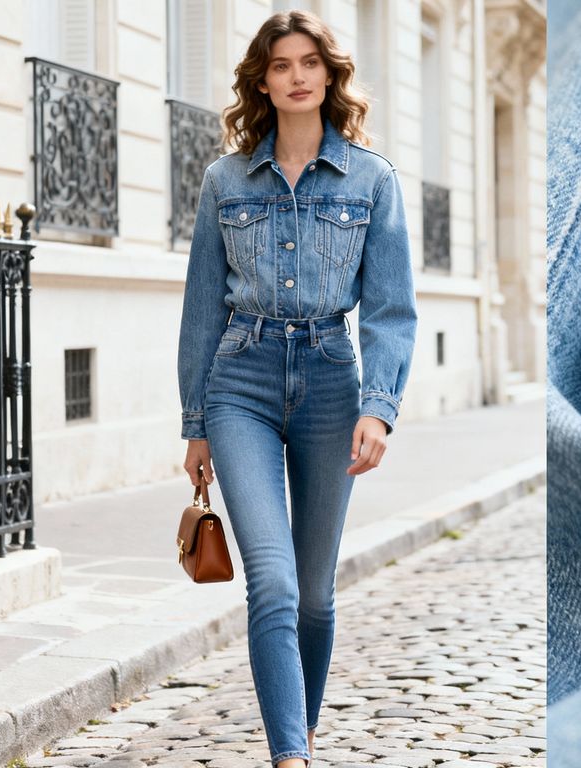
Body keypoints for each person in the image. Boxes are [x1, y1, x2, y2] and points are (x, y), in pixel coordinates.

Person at [175, 10, 417, 767]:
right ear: (263, 81)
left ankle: (299, 733)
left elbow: (390, 308)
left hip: (330, 382)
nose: (298, 76)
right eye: (281, 65)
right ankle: (292, 757)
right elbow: (202, 306)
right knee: (272, 584)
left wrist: (380, 407)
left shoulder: (372, 180)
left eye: (310, 62)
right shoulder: (225, 179)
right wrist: (196, 424)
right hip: (239, 381)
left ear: (330, 75)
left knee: (314, 595)